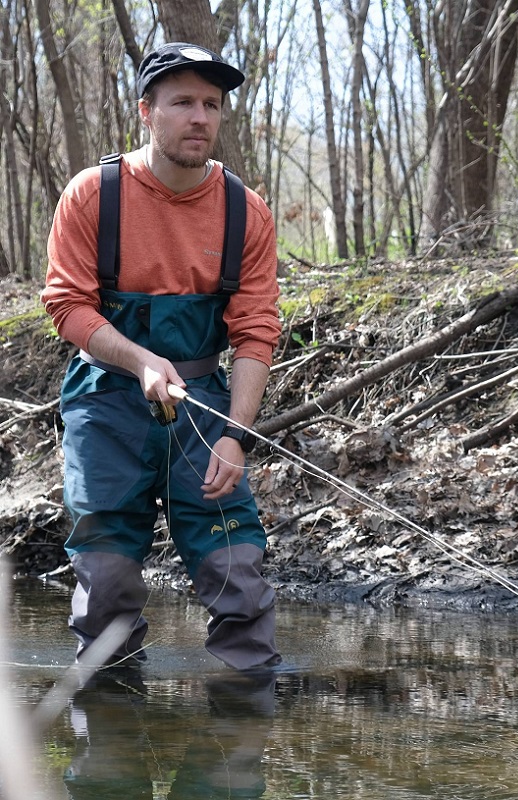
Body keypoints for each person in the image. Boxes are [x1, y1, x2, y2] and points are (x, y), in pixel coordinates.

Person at [42, 42, 282, 672]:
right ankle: (111, 740)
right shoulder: (95, 195)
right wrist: (141, 360)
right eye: (182, 103)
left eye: (211, 104)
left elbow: (256, 332)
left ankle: (241, 734)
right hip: (105, 404)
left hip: (205, 408)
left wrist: (237, 437)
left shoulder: (245, 211)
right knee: (108, 585)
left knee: (239, 578)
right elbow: (68, 306)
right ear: (147, 111)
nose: (199, 117)